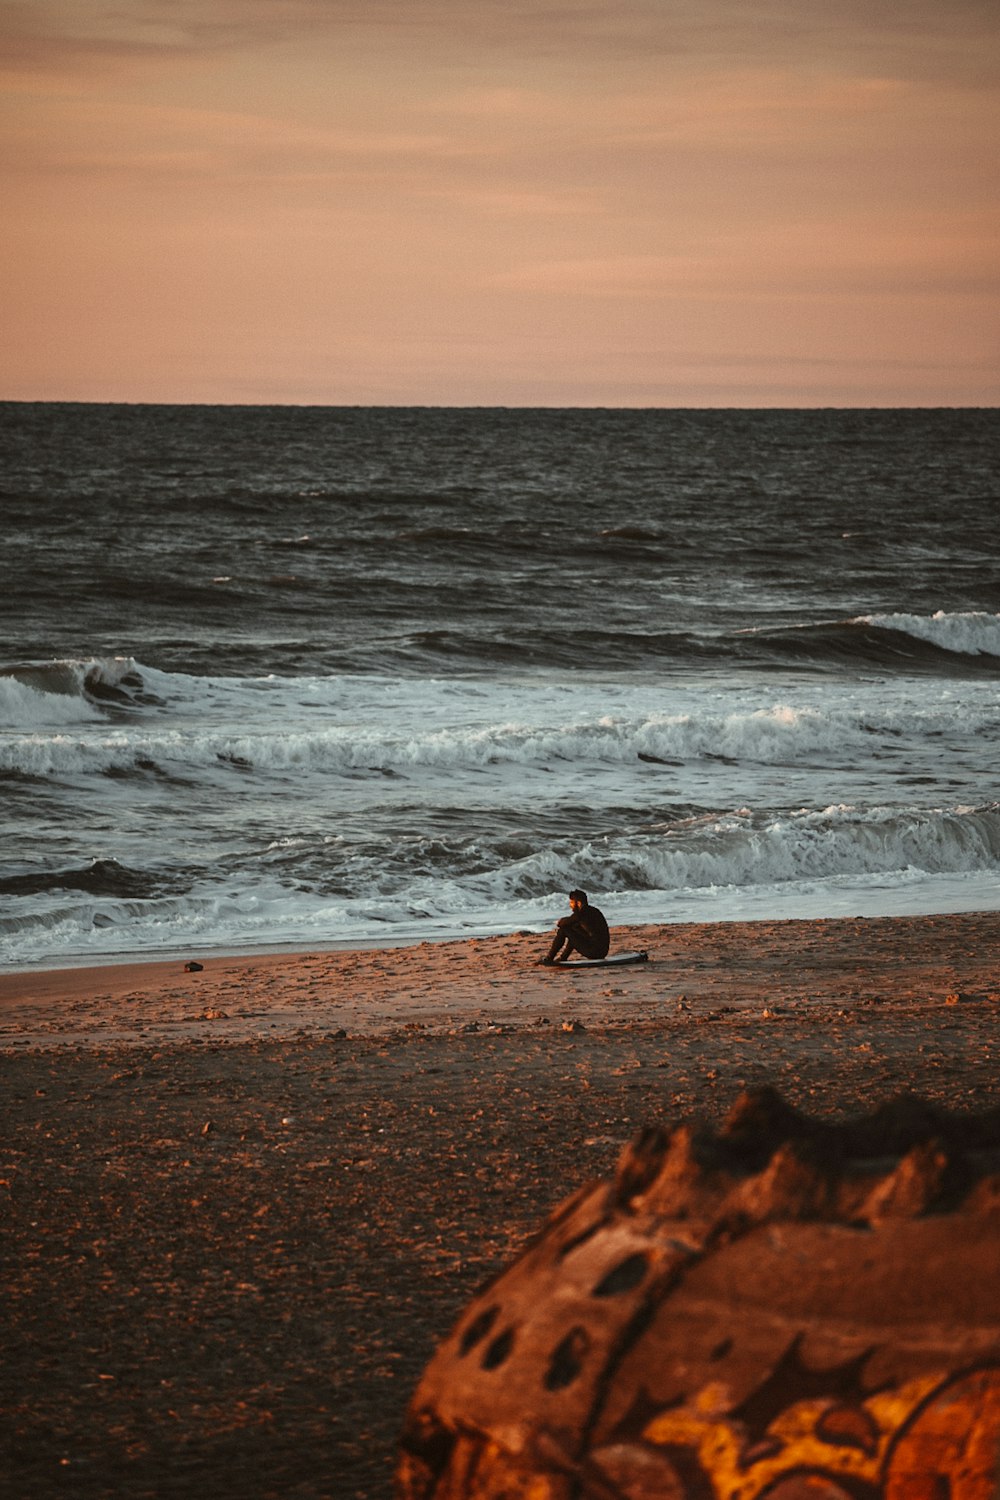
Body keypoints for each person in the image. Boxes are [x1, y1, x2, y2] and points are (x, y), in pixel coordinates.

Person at [539, 889, 610, 965]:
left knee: (564, 929)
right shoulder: (594, 911)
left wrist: (560, 922)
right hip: (603, 952)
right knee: (573, 930)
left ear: (578, 903)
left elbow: (562, 924)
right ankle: (563, 957)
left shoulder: (581, 914)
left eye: (572, 902)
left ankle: (549, 958)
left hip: (594, 952)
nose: (570, 905)